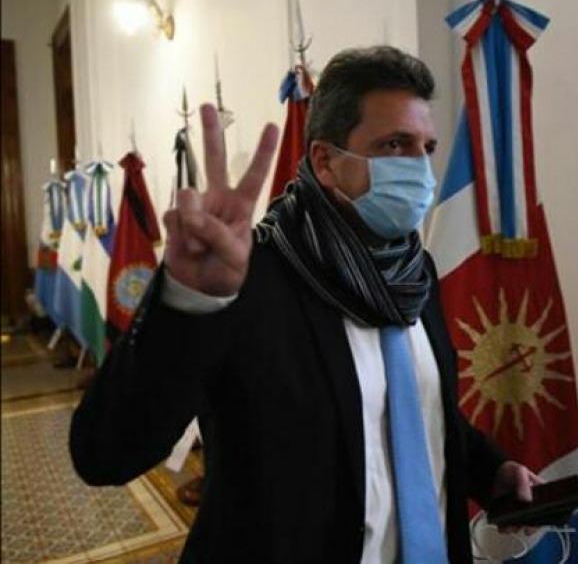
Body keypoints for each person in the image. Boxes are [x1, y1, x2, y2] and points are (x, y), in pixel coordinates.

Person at [69, 46, 542, 564]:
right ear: (325, 161)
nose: (420, 170)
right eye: (394, 145)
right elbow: (104, 454)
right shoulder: (248, 279)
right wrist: (187, 303)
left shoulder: (414, 272)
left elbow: (415, 414)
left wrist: (491, 472)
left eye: (426, 147)